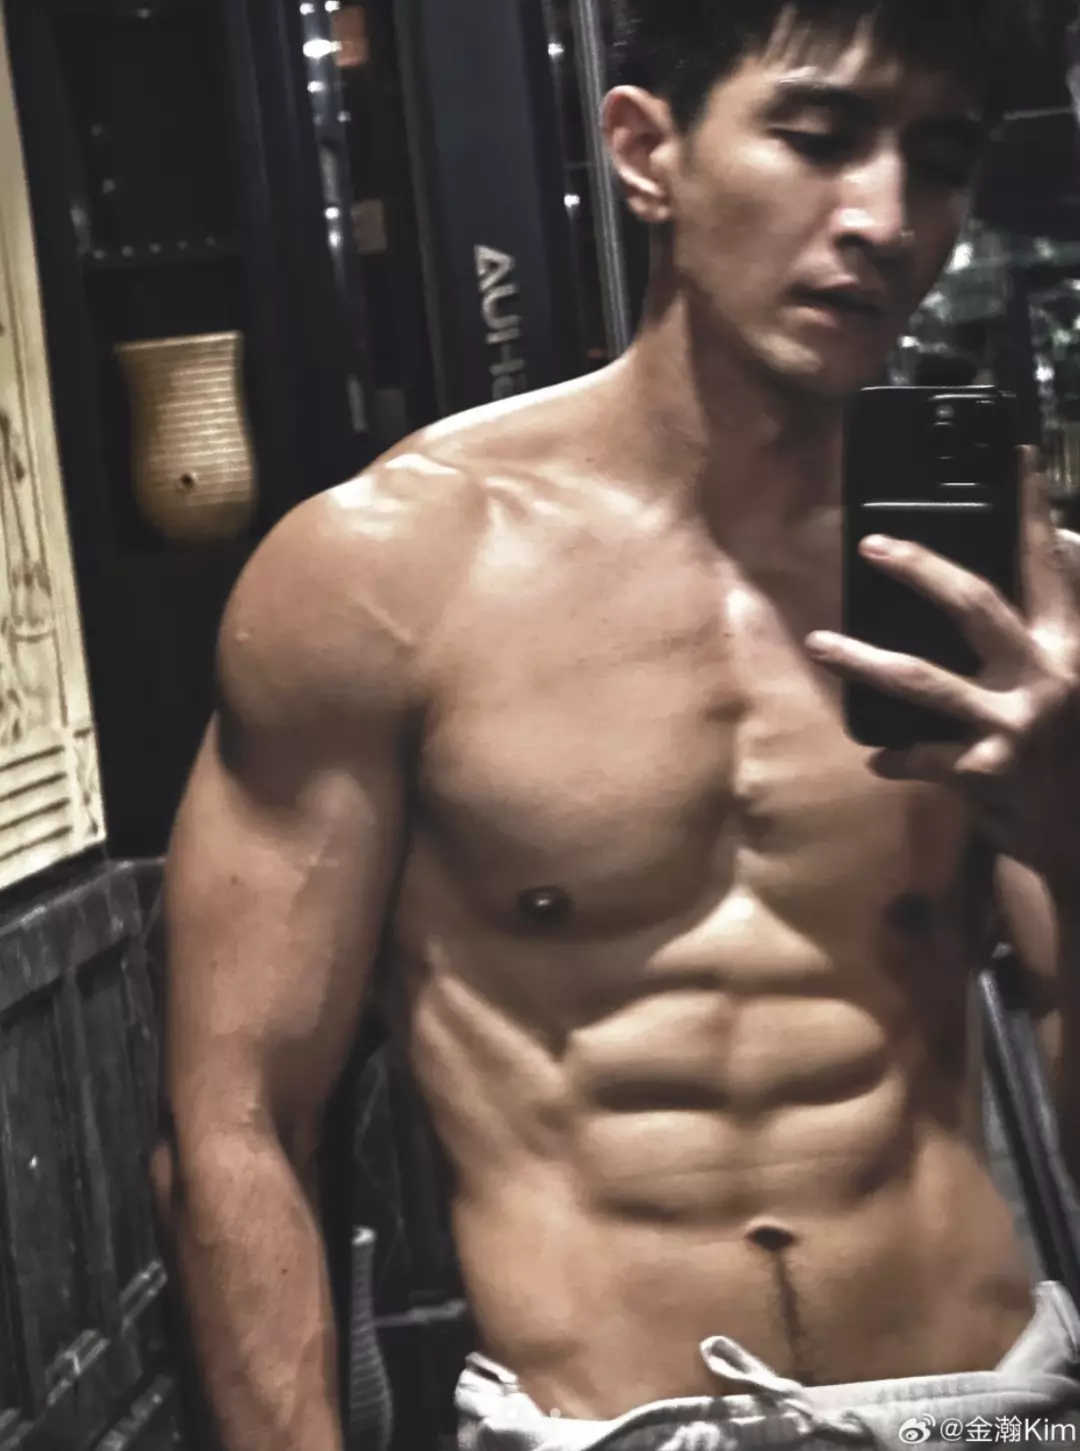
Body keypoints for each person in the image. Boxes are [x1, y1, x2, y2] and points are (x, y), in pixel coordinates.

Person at [155, 1, 1080, 1448]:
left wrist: (1073, 829)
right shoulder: (390, 574)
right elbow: (237, 1125)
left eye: (941, 161)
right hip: (607, 1425)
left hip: (989, 1406)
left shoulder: (1005, 588)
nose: (887, 218)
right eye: (819, 137)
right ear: (648, 153)